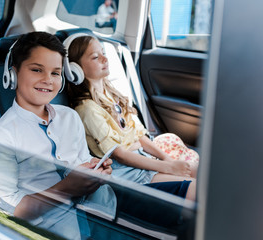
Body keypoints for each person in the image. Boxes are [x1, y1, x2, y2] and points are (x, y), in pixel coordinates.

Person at [0, 31, 195, 240]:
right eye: (37, 70)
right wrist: (65, 189)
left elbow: (81, 162)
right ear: (13, 72)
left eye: (55, 72)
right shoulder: (1, 137)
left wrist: (96, 169)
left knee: (198, 195)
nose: (48, 79)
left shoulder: (69, 117)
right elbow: (6, 211)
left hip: (107, 204)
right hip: (61, 228)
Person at [65, 34, 199, 188]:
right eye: (95, 57)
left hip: (143, 158)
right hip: (129, 171)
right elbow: (120, 155)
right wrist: (169, 168)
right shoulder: (87, 109)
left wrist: (169, 161)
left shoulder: (111, 94)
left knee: (202, 173)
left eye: (104, 53)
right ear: (75, 69)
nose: (105, 59)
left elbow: (139, 136)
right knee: (197, 187)